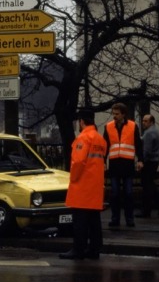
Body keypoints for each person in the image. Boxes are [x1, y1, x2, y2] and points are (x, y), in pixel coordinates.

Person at [59, 109, 107, 260]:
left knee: (80, 220)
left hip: (82, 186)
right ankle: (94, 249)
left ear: (81, 121)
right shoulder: (99, 139)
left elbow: (78, 162)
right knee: (94, 220)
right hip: (95, 185)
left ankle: (78, 249)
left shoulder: (83, 138)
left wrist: (73, 179)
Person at [103, 102, 143, 228]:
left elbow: (138, 144)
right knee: (115, 194)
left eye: (117, 114)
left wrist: (140, 159)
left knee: (129, 193)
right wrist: (103, 161)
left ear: (123, 114)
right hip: (115, 165)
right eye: (113, 113)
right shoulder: (108, 127)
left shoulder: (132, 126)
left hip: (127, 165)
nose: (114, 116)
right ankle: (115, 219)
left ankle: (129, 219)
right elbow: (105, 146)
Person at [139, 114, 159, 218]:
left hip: (149, 162)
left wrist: (141, 161)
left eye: (146, 121)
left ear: (151, 122)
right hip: (154, 161)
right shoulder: (155, 131)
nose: (143, 123)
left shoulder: (149, 133)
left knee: (146, 185)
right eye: (143, 121)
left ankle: (146, 210)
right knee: (150, 184)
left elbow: (146, 150)